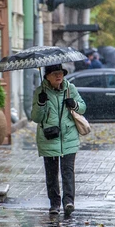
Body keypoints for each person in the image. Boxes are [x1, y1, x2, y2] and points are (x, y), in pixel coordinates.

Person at [32, 64, 87, 217]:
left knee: (68, 171)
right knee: (51, 173)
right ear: (47, 76)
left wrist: (74, 104)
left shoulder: (70, 89)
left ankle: (69, 202)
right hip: (49, 137)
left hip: (69, 137)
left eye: (61, 73)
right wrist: (41, 103)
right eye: (55, 73)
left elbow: (83, 107)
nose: (59, 76)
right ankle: (54, 204)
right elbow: (36, 117)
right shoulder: (40, 92)